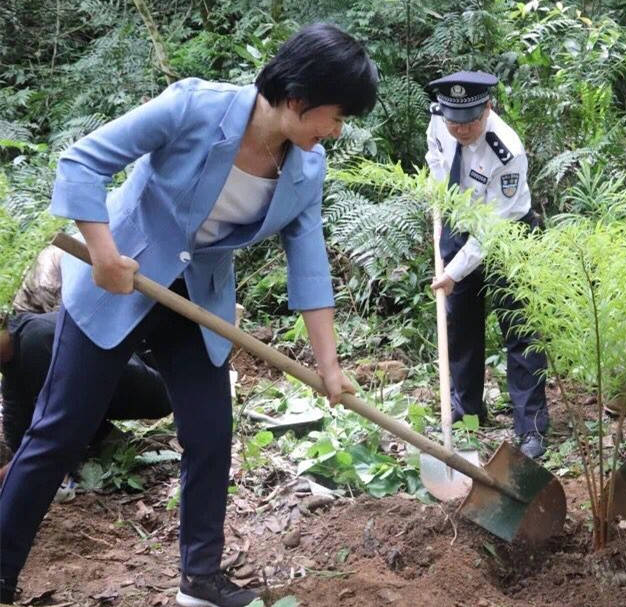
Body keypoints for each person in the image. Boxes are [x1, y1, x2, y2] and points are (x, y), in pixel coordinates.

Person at [0, 23, 378, 607]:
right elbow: (82, 163)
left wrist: (329, 365)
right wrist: (101, 253)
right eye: (336, 115)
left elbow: (309, 265)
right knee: (57, 434)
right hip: (119, 283)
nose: (336, 130)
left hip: (196, 303)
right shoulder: (193, 108)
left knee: (209, 434)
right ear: (299, 98)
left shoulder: (307, 168)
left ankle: (199, 580)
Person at [425, 71, 549, 459]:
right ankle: (467, 416)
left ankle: (530, 429)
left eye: (470, 121)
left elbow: (492, 232)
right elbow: (435, 158)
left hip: (507, 235)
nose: (460, 129)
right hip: (457, 225)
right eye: (453, 120)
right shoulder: (438, 121)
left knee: (520, 330)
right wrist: (437, 203)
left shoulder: (506, 151)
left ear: (488, 108)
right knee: (459, 325)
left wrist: (451, 272)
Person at [0, 309, 172, 491]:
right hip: (139, 377)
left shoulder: (35, 342)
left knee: (62, 422)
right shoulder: (14, 352)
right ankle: (104, 444)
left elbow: (55, 427)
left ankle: (111, 444)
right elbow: (16, 423)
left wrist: (18, 470)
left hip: (159, 384)